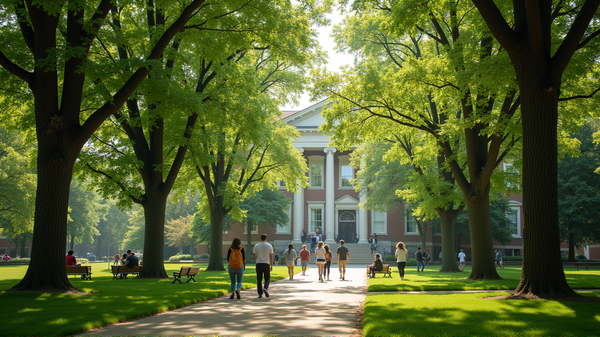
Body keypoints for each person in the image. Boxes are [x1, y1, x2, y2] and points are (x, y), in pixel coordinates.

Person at [253, 233, 273, 298]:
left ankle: (260, 293)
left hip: (258, 263)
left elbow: (254, 254)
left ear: (260, 238)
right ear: (266, 238)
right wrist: (271, 265)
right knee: (267, 278)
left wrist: (258, 257)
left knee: (259, 279)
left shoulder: (257, 245)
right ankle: (265, 288)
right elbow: (271, 256)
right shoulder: (269, 245)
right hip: (266, 263)